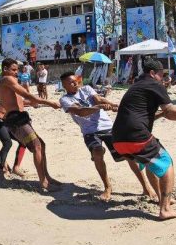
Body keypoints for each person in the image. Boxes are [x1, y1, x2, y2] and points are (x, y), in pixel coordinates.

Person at [112, 58, 176, 220]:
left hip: (118, 140)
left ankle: (161, 198)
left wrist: (161, 112)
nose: (164, 78)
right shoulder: (154, 84)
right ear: (152, 73)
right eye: (161, 75)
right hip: (135, 136)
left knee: (149, 162)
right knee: (166, 162)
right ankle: (164, 209)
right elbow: (171, 112)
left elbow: (141, 114)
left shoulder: (136, 86)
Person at [59, 72, 157, 201]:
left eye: (75, 80)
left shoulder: (86, 89)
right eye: (71, 82)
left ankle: (146, 187)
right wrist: (98, 107)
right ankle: (107, 187)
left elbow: (99, 99)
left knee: (129, 156)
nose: (75, 83)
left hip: (109, 127)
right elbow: (80, 112)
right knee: (97, 152)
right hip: (90, 132)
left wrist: (113, 105)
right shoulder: (64, 99)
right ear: (64, 85)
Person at [0, 58, 62, 191]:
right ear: (5, 69)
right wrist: (50, 103)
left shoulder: (6, 82)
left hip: (19, 117)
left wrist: (29, 103)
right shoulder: (7, 80)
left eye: (17, 70)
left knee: (41, 145)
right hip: (16, 119)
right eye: (14, 70)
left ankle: (47, 177)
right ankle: (43, 182)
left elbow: (18, 100)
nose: (16, 72)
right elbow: (27, 94)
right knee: (37, 146)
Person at [0, 90, 28, 178]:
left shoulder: (18, 92)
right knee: (7, 143)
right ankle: (0, 170)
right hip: (0, 122)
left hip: (11, 123)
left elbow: (24, 102)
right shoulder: (1, 90)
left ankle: (16, 167)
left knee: (23, 142)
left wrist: (34, 103)